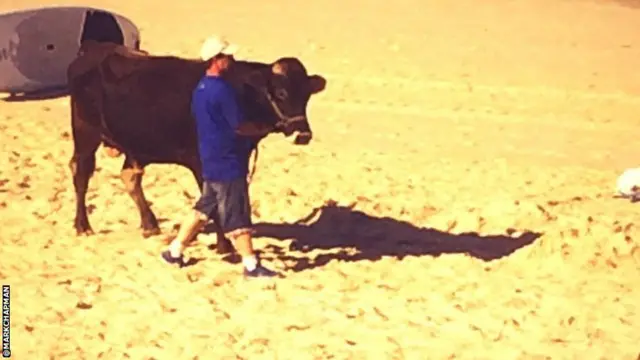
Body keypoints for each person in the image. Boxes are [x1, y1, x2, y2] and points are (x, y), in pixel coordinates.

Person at [161, 37, 279, 278]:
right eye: (228, 57)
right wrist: (264, 128)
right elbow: (239, 125)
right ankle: (250, 265)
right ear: (216, 60)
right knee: (236, 213)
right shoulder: (223, 90)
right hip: (228, 159)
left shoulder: (201, 88)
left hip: (210, 156)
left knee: (204, 207)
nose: (232, 60)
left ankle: (175, 250)